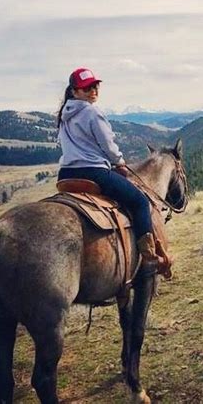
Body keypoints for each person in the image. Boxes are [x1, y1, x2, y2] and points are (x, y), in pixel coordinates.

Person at [57, 67, 165, 272]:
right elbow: (107, 145)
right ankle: (149, 257)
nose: (92, 90)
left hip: (66, 174)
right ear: (74, 91)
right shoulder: (92, 111)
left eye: (95, 86)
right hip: (93, 172)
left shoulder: (64, 114)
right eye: (86, 87)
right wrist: (119, 162)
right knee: (140, 202)